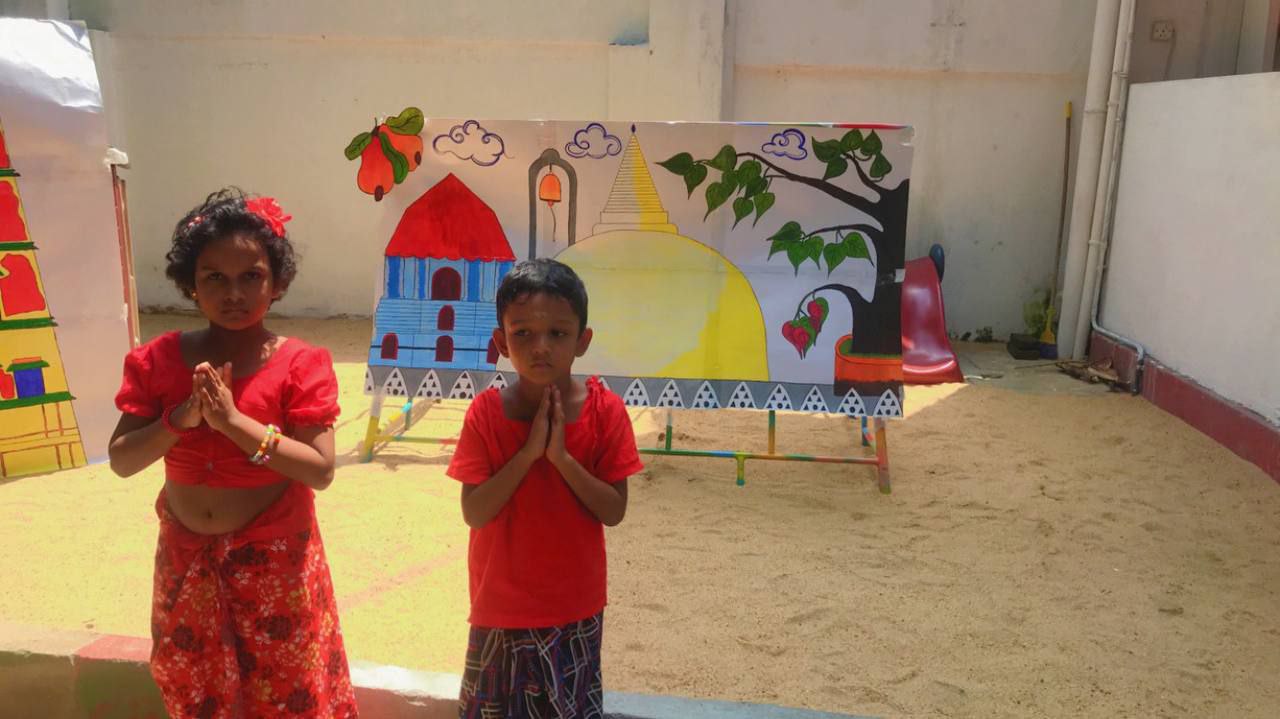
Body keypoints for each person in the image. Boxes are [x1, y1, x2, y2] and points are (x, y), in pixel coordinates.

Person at [108, 188, 358, 718]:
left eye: (252, 276)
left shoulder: (301, 364)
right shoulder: (158, 360)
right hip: (185, 560)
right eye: (214, 278)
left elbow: (320, 470)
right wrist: (180, 421)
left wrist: (234, 423)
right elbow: (124, 459)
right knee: (192, 687)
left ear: (279, 282)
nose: (234, 293)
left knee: (285, 688)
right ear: (189, 285)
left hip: (274, 567)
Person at [446, 258, 643, 718]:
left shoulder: (605, 412)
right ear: (501, 341)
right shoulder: (486, 415)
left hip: (574, 609)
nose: (540, 348)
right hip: (501, 609)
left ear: (582, 340)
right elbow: (475, 512)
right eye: (523, 334)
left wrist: (561, 459)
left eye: (557, 333)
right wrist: (528, 454)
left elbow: (613, 510)